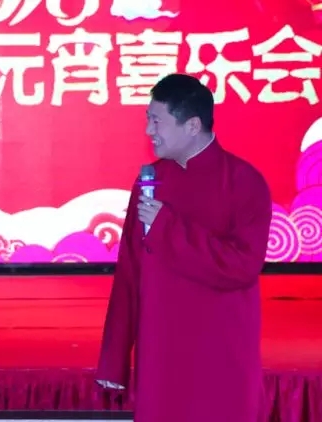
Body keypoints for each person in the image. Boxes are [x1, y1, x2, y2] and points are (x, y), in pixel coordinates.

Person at [96, 73, 272, 422]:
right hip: (160, 350)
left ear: (192, 125)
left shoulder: (244, 182)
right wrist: (114, 359)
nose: (149, 130)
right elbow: (130, 273)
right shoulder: (150, 182)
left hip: (221, 351)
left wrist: (168, 228)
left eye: (156, 121)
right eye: (148, 119)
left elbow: (242, 266)